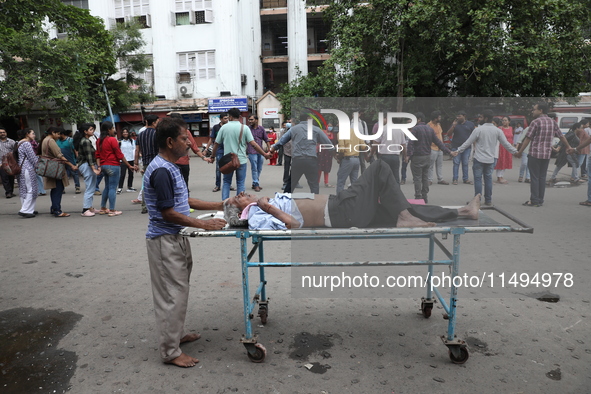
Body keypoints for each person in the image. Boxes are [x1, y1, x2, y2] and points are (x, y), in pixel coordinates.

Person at [143, 117, 226, 368]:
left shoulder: (171, 167)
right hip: (164, 239)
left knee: (178, 291)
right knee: (172, 294)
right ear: (170, 142)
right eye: (184, 139)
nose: (189, 143)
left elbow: (186, 200)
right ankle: (170, 351)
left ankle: (176, 335)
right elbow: (167, 212)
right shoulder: (160, 170)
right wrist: (204, 224)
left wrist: (222, 204)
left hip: (177, 236)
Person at [223, 159, 480, 230]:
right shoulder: (257, 215)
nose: (241, 193)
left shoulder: (259, 205)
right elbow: (292, 224)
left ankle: (462, 212)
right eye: (238, 197)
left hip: (342, 207)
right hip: (341, 211)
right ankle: (403, 216)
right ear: (241, 210)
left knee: (404, 208)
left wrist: (265, 202)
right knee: (379, 167)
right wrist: (266, 206)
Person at [453, 110, 518, 206]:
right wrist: (516, 152)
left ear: (486, 118)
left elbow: (468, 142)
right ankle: (488, 200)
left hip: (479, 159)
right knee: (488, 179)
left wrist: (458, 150)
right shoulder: (497, 130)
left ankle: (477, 200)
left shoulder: (478, 130)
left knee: (478, 179)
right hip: (491, 159)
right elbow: (506, 144)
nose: (479, 119)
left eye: (481, 117)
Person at [207, 108, 271, 200]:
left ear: (231, 116)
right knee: (240, 183)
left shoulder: (224, 127)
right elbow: (253, 144)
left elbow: (216, 143)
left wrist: (212, 157)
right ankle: (239, 204)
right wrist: (264, 154)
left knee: (226, 182)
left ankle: (225, 204)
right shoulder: (244, 128)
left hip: (228, 160)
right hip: (241, 160)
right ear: (239, 117)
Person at [516, 102, 573, 207]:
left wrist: (520, 152)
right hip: (546, 154)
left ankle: (534, 200)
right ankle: (540, 200)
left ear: (540, 110)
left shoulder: (535, 122)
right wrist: (568, 146)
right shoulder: (552, 122)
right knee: (542, 177)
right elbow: (561, 136)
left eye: (534, 109)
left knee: (534, 177)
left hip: (534, 154)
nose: (533, 111)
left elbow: (528, 138)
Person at [270, 113, 332, 194]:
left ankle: (284, 202)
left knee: (290, 185)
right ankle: (315, 204)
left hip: (297, 161)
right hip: (311, 161)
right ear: (308, 118)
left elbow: (281, 141)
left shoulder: (294, 129)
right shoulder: (316, 129)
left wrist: (272, 150)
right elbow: (329, 144)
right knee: (314, 185)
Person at [406, 112, 452, 204]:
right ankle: (425, 196)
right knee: (425, 177)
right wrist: (449, 151)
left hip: (417, 157)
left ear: (418, 119)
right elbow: (439, 142)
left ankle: (418, 197)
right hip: (427, 156)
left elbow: (410, 143)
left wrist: (408, 156)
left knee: (417, 178)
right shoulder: (430, 129)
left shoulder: (415, 130)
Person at [96, 121, 134, 216]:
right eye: (113, 128)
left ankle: (103, 207)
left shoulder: (99, 140)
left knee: (107, 187)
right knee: (113, 187)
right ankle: (112, 210)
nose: (114, 130)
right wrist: (129, 165)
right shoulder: (112, 140)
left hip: (104, 165)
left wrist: (99, 166)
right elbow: (119, 154)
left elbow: (97, 155)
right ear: (108, 130)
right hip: (113, 165)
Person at [40, 126, 78, 217]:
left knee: (55, 188)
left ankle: (54, 208)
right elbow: (59, 155)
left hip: (50, 166)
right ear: (53, 133)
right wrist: (71, 165)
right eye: (57, 134)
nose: (58, 136)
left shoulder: (45, 140)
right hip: (55, 167)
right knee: (58, 188)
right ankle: (57, 210)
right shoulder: (51, 141)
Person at [134, 114, 159, 213]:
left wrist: (136, 163)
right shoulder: (157, 134)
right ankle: (157, 206)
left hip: (146, 163)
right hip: (157, 163)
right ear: (153, 123)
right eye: (157, 122)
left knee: (146, 186)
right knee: (158, 185)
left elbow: (137, 150)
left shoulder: (140, 135)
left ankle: (144, 207)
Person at [76, 123, 101, 217]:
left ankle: (89, 207)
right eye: (90, 130)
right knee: (90, 187)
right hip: (86, 165)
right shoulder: (85, 141)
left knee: (91, 186)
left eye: (92, 129)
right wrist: (94, 168)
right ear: (85, 131)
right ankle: (85, 209)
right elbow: (89, 156)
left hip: (86, 165)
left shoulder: (85, 140)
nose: (92, 131)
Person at [447, 110, 475, 185]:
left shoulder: (470, 124)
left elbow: (474, 135)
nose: (458, 117)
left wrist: (475, 147)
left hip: (467, 147)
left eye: (459, 116)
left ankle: (465, 179)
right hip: (456, 147)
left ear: (464, 116)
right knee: (456, 163)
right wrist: (453, 126)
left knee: (465, 163)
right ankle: (455, 179)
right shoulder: (455, 124)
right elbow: (448, 134)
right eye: (457, 116)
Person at [205, 113, 231, 192]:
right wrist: (206, 149)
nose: (226, 120)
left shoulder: (229, 127)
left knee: (228, 168)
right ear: (221, 119)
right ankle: (217, 185)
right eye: (225, 118)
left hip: (228, 150)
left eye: (227, 118)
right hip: (219, 151)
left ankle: (228, 185)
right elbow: (212, 139)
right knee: (218, 169)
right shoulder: (216, 127)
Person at [335, 126, 366, 193]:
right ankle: (354, 200)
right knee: (354, 183)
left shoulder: (341, 133)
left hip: (347, 160)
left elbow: (342, 149)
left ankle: (339, 200)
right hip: (356, 159)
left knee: (341, 182)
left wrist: (339, 158)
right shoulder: (356, 133)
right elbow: (364, 147)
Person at [16, 128, 39, 218]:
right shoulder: (26, 144)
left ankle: (29, 209)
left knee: (23, 189)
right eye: (32, 133)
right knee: (31, 189)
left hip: (21, 168)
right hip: (27, 168)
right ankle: (25, 210)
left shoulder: (19, 143)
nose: (34, 135)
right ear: (27, 134)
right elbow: (32, 158)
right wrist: (39, 165)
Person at [246, 115, 269, 192]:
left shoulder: (261, 129)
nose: (250, 121)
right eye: (249, 119)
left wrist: (269, 150)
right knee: (254, 168)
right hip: (251, 151)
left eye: (251, 119)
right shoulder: (248, 129)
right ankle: (256, 184)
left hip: (261, 152)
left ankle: (255, 182)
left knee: (259, 168)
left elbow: (266, 139)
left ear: (256, 120)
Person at [427, 110, 449, 185]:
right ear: (435, 118)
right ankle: (429, 180)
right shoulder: (429, 125)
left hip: (440, 148)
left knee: (439, 165)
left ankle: (440, 179)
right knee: (431, 165)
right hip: (432, 148)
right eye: (439, 117)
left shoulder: (439, 125)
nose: (440, 118)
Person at [57, 129, 80, 194]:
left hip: (70, 160)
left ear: (63, 134)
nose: (58, 136)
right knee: (62, 175)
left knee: (75, 174)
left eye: (59, 134)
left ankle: (77, 187)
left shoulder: (70, 140)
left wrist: (77, 158)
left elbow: (75, 150)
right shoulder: (57, 141)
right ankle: (62, 188)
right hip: (61, 160)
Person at [494, 116, 514, 184]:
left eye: (505, 120)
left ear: (509, 121)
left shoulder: (511, 128)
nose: (504, 122)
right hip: (501, 147)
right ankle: (499, 177)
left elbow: (512, 138)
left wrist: (513, 147)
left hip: (508, 147)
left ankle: (501, 176)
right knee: (501, 161)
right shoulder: (499, 128)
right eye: (503, 120)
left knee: (506, 161)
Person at [117, 128, 136, 194]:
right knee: (122, 174)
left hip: (131, 159)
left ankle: (130, 186)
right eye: (124, 132)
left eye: (126, 132)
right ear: (122, 133)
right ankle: (120, 187)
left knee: (131, 174)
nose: (125, 133)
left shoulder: (131, 141)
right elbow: (118, 150)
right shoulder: (119, 141)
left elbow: (134, 149)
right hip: (123, 160)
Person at [0, 127, 17, 199]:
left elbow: (15, 152)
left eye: (3, 132)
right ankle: (8, 192)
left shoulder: (11, 142)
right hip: (1, 163)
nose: (2, 134)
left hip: (11, 163)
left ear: (6, 133)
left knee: (11, 178)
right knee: (4, 178)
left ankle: (11, 191)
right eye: (0, 132)